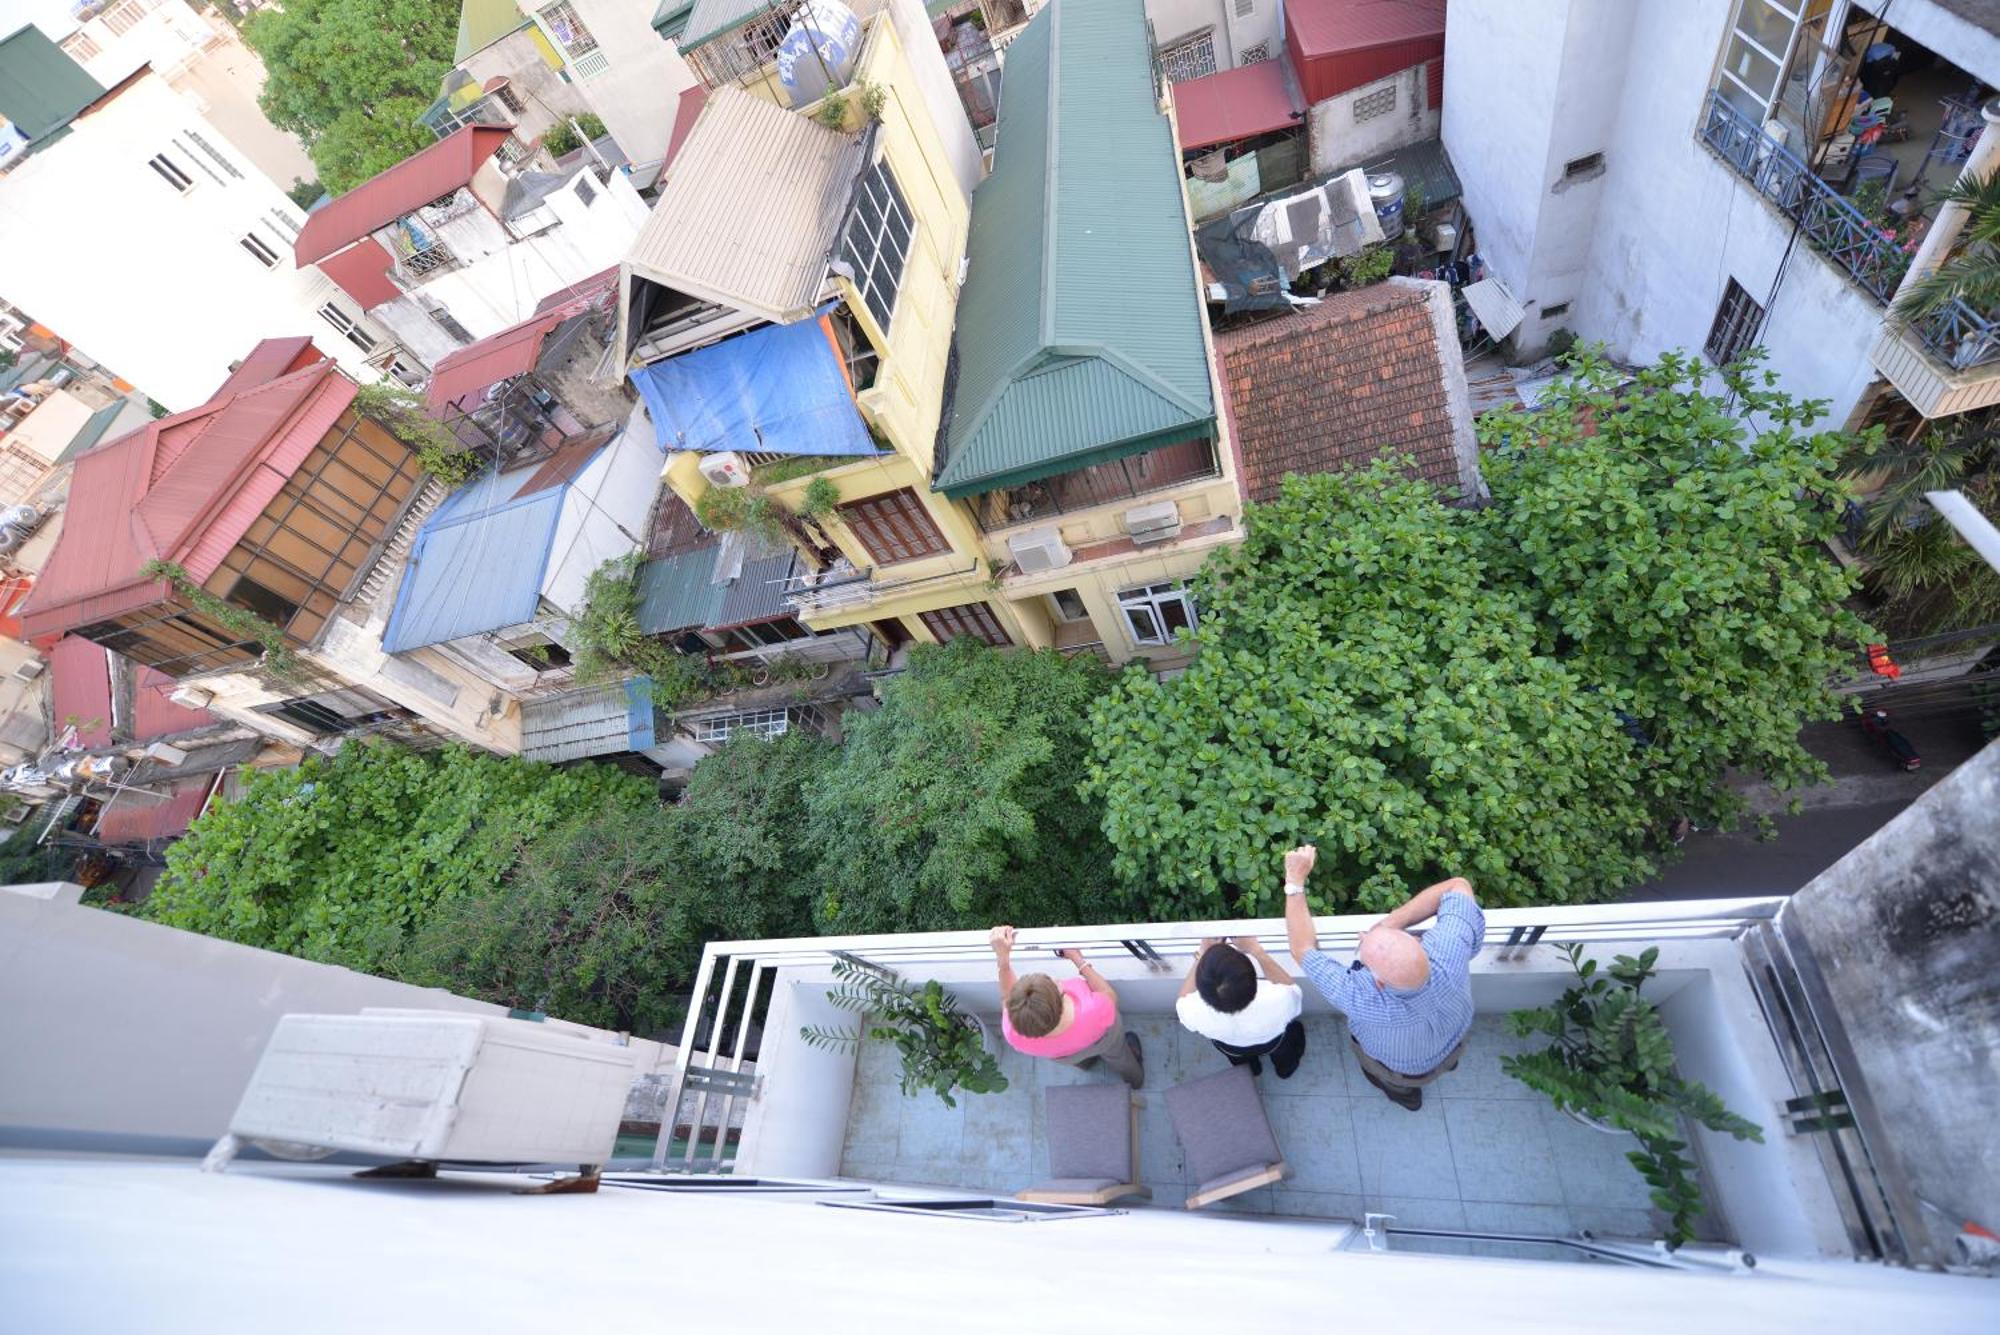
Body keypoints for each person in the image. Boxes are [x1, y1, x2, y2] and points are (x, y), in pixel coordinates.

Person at [1283, 845, 1485, 1112]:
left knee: (1388, 1079)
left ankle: (1405, 1096)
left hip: (1404, 1069)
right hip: (1453, 1040)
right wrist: (1389, 927)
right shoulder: (1449, 949)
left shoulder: (1364, 999)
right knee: (1446, 1060)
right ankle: (1433, 1075)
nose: (1364, 937)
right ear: (1416, 941)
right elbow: (1458, 885)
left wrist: (1294, 881)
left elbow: (1302, 949)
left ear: (1377, 982)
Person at [988, 925, 1143, 1088]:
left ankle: (1088, 1065)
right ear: (1060, 998)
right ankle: (1135, 1079)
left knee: (1079, 1059)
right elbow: (1110, 996)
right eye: (1053, 982)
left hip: (1064, 1055)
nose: (1056, 979)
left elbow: (1006, 997)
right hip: (1102, 1040)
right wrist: (1078, 959)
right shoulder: (1093, 1011)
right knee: (1119, 1056)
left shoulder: (1014, 1032)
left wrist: (1003, 959)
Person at [1175, 936, 1306, 1079]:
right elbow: (1292, 990)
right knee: (1287, 1052)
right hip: (1272, 1042)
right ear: (1252, 975)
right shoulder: (1279, 998)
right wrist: (1257, 950)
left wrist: (1203, 953)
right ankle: (1285, 1071)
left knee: (1242, 1063)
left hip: (1231, 1047)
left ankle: (1252, 1072)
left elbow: (1182, 999)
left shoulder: (1193, 1010)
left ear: (1201, 987)